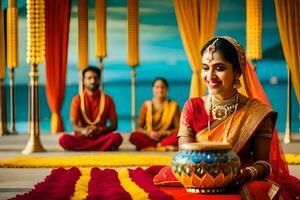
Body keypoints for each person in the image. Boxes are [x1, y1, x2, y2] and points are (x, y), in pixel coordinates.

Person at [177, 36, 300, 199]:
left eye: (219, 68)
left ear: (237, 71)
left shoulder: (257, 112)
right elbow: (183, 157)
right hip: (197, 181)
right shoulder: (192, 107)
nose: (210, 75)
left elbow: (264, 164)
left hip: (239, 181)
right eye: (205, 68)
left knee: (259, 190)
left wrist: (246, 174)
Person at [59, 66, 123, 151]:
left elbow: (114, 125)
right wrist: (83, 130)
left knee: (117, 137)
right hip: (83, 136)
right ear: (83, 80)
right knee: (63, 139)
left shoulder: (108, 99)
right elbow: (73, 125)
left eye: (95, 78)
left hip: (101, 136)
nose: (92, 81)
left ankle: (85, 147)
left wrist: (100, 129)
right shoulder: (77, 99)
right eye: (89, 78)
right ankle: (101, 147)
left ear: (99, 80)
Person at [129, 77, 181, 150]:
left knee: (179, 137)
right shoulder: (146, 105)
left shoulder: (173, 105)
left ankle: (154, 147)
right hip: (150, 137)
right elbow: (139, 128)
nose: (160, 90)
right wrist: (149, 133)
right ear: (153, 89)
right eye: (157, 87)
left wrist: (163, 133)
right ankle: (161, 147)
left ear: (167, 89)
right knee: (134, 136)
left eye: (162, 87)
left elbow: (179, 128)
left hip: (166, 137)